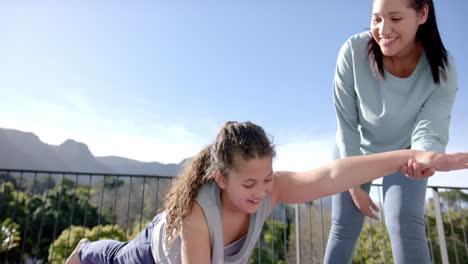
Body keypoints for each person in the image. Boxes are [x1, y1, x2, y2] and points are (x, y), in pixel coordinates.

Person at [66, 121, 467, 264]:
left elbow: (332, 173)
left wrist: (411, 157)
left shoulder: (270, 190)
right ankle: (84, 248)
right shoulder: (195, 214)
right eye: (249, 184)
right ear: (221, 179)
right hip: (149, 256)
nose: (261, 193)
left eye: (268, 178)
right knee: (109, 257)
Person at [323, 0, 459, 263]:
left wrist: (424, 158)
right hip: (355, 148)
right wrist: (353, 183)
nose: (383, 29)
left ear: (422, 14)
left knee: (405, 223)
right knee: (343, 227)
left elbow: (431, 126)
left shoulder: (442, 69)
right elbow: (346, 122)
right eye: (376, 19)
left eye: (395, 19)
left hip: (406, 153)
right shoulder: (352, 51)